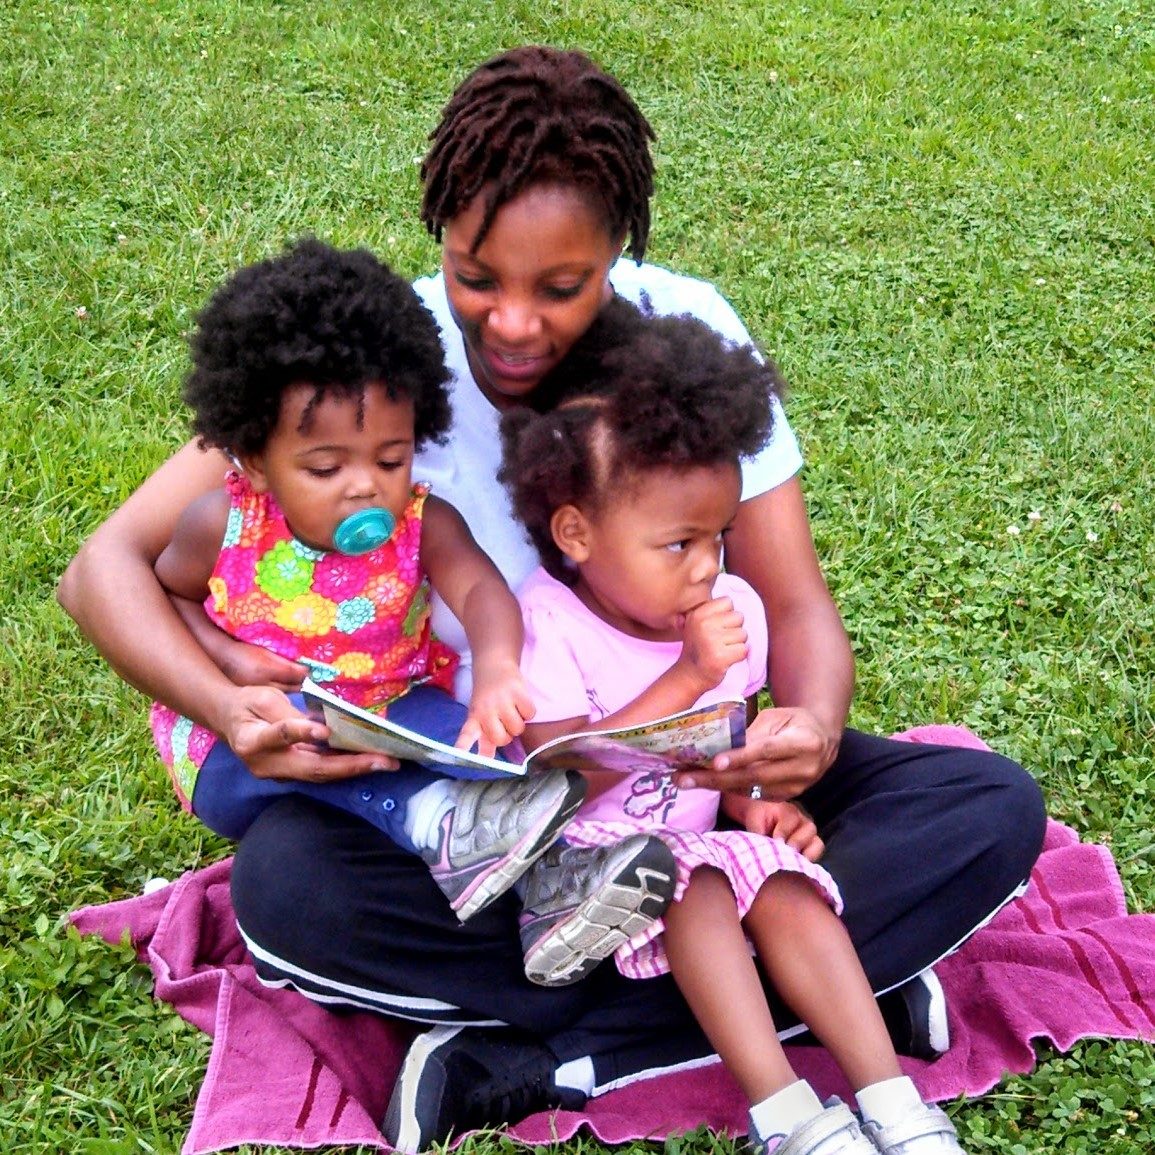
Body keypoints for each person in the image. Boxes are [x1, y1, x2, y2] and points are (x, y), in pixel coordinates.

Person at [57, 44, 1046, 1154]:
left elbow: (797, 603)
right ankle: (820, 1002)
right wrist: (228, 698)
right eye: (478, 275)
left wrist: (807, 729)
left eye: (559, 287)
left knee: (987, 808)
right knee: (288, 890)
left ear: (618, 253)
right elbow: (104, 571)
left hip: (679, 783)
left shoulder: (689, 340)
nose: (512, 321)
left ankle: (540, 1055)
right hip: (474, 797)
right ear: (440, 233)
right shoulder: (373, 366)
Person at [500, 305, 970, 1153]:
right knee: (700, 885)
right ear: (575, 531)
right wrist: (685, 674)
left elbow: (725, 742)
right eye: (676, 543)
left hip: (692, 844)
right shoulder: (547, 624)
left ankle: (893, 1100)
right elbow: (558, 780)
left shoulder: (733, 610)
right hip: (586, 879)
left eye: (717, 536)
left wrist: (753, 799)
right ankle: (784, 1111)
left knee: (783, 879)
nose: (708, 565)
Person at [143, 235, 675, 964]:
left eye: (389, 458)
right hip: (243, 737)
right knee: (337, 746)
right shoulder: (222, 524)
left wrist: (495, 670)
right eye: (325, 466)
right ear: (257, 463)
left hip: (390, 703)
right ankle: (433, 819)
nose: (365, 484)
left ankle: (555, 886)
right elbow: (165, 594)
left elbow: (482, 591)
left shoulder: (421, 523)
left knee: (504, 765)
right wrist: (223, 658)